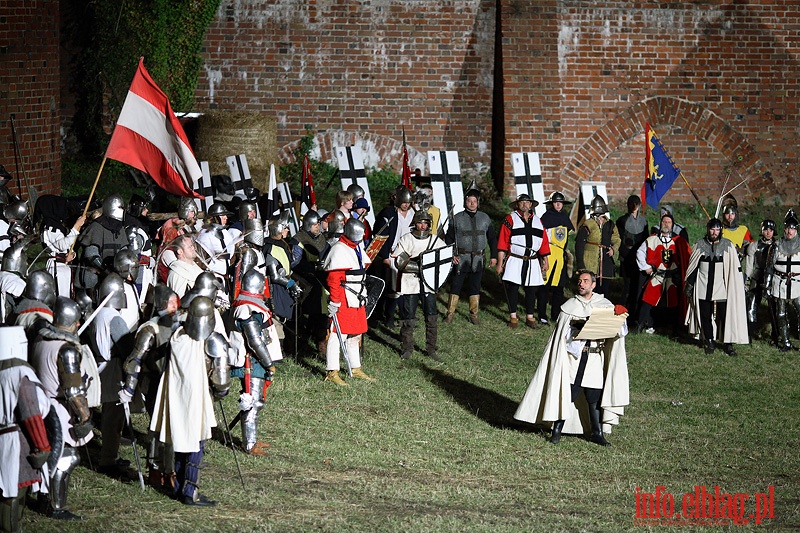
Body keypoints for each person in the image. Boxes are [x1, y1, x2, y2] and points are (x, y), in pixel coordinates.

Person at [513, 270, 629, 447]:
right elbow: (562, 336)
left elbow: (619, 332)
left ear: (593, 284)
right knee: (567, 394)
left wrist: (620, 317)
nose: (581, 284)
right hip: (573, 359)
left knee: (593, 397)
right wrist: (578, 328)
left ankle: (596, 433)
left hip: (594, 358)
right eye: (579, 281)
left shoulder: (604, 305)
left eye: (585, 281)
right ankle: (557, 430)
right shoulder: (570, 306)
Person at [150, 296, 230, 506]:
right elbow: (221, 383)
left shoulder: (177, 337)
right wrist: (219, 391)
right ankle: (190, 492)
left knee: (180, 438)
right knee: (196, 442)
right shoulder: (210, 341)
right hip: (196, 397)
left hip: (177, 395)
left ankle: (177, 488)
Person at [30, 299, 96, 520]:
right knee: (66, 457)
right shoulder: (66, 350)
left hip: (41, 404)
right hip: (58, 408)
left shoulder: (41, 338)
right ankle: (55, 505)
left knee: (52, 453)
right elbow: (73, 390)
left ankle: (43, 497)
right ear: (74, 322)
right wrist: (84, 416)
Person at [118, 285, 180, 489]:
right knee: (158, 427)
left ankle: (172, 468)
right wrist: (129, 389)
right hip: (155, 383)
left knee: (175, 427)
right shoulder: (149, 329)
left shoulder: (178, 325)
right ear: (163, 304)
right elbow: (134, 361)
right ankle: (156, 468)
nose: (175, 306)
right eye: (172, 303)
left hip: (176, 381)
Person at [0, 326, 53, 530]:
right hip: (12, 440)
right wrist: (42, 446)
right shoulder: (18, 373)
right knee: (12, 491)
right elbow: (30, 412)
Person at [229, 269, 281, 454]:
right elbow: (255, 341)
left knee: (255, 401)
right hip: (252, 361)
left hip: (254, 360)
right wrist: (269, 363)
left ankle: (253, 439)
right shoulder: (248, 309)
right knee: (252, 402)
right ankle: (250, 444)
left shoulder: (249, 305)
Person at [323, 218, 376, 384]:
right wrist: (335, 301)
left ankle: (355, 367)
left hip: (357, 296)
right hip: (344, 298)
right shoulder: (339, 249)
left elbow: (362, 268)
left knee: (355, 333)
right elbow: (334, 280)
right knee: (337, 335)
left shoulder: (356, 247)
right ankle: (332, 371)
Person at [684, 218, 748, 355]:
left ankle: (728, 343)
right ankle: (709, 341)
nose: (714, 232)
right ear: (708, 229)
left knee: (725, 316)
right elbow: (693, 267)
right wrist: (689, 284)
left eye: (717, 229)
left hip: (722, 287)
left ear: (721, 230)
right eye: (712, 229)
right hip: (703, 286)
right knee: (705, 315)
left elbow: (734, 267)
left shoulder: (728, 246)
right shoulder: (699, 245)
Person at [392, 210, 450, 360]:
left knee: (431, 317)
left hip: (429, 284)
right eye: (420, 222)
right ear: (415, 223)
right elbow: (399, 262)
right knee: (408, 317)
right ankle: (407, 348)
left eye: (425, 223)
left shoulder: (435, 240)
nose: (422, 226)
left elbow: (443, 260)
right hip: (410, 282)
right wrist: (421, 268)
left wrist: (431, 270)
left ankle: (431, 349)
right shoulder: (407, 239)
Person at [444, 182, 497, 324]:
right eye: (469, 201)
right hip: (461, 258)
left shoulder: (485, 218)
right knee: (456, 285)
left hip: (478, 258)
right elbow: (449, 238)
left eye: (474, 201)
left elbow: (492, 238)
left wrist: (493, 256)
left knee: (475, 286)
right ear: (465, 202)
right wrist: (451, 254)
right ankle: (450, 313)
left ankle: (474, 314)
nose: (472, 203)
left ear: (478, 202)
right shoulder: (457, 218)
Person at [496, 194, 550, 329]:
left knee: (531, 289)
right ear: (517, 204)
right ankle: (513, 317)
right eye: (522, 202)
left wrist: (545, 260)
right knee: (513, 288)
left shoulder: (538, 221)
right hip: (515, 259)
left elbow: (543, 242)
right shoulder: (510, 219)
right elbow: (503, 241)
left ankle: (530, 317)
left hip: (532, 260)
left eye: (527, 202)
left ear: (531, 205)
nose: (525, 204)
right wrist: (499, 263)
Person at [635, 212, 690, 335]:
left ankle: (675, 328)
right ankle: (640, 324)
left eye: (668, 222)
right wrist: (646, 267)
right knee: (648, 299)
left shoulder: (678, 241)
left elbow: (686, 256)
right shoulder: (652, 239)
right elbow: (640, 253)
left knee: (674, 302)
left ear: (672, 225)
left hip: (672, 276)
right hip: (657, 275)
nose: (666, 224)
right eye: (664, 222)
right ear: (660, 224)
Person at [374, 186, 415, 328]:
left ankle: (405, 317)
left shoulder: (412, 214)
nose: (406, 204)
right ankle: (385, 317)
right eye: (404, 201)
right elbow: (381, 236)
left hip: (407, 255)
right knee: (391, 288)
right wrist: (385, 256)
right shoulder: (388, 214)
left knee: (406, 287)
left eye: (408, 202)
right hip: (391, 255)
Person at [37, 195, 87, 297]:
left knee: (66, 296)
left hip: (63, 266)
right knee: (59, 298)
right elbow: (62, 244)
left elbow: (67, 247)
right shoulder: (49, 226)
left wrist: (72, 255)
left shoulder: (56, 225)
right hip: (56, 267)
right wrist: (76, 226)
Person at [764, 211, 800, 351]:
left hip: (798, 282)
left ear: (796, 229)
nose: (790, 231)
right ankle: (785, 342)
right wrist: (767, 286)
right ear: (784, 229)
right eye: (788, 228)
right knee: (781, 313)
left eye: (792, 228)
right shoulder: (776, 246)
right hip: (780, 282)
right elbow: (769, 267)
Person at [537, 191, 575, 324]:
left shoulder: (564, 217)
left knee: (559, 287)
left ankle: (555, 314)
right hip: (549, 253)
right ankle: (541, 314)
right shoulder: (547, 217)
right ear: (552, 203)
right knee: (544, 286)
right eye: (556, 202)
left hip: (560, 255)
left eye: (560, 202)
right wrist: (543, 257)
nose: (558, 205)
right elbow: (542, 237)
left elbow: (566, 235)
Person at [575, 195, 620, 296]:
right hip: (589, 262)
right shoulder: (588, 224)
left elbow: (616, 239)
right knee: (590, 292)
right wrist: (581, 264)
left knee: (604, 292)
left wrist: (613, 249)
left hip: (605, 263)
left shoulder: (610, 224)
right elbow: (579, 245)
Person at [616, 195, 649, 317]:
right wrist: (627, 256)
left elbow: (646, 240)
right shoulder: (622, 221)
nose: (634, 206)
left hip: (639, 259)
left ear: (639, 205)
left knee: (637, 287)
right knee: (627, 287)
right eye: (632, 204)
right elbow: (619, 240)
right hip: (627, 258)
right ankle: (621, 312)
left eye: (636, 204)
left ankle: (634, 314)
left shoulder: (644, 222)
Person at [743, 219, 776, 340]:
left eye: (771, 230)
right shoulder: (754, 246)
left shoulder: (777, 246)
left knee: (774, 307)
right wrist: (746, 280)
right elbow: (749, 265)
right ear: (762, 230)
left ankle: (775, 334)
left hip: (772, 279)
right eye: (766, 229)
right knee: (751, 306)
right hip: (756, 277)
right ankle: (750, 333)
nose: (768, 232)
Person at [155, 197, 198, 283]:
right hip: (169, 261)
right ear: (185, 212)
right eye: (192, 212)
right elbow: (170, 249)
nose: (194, 215)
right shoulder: (170, 227)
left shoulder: (183, 226)